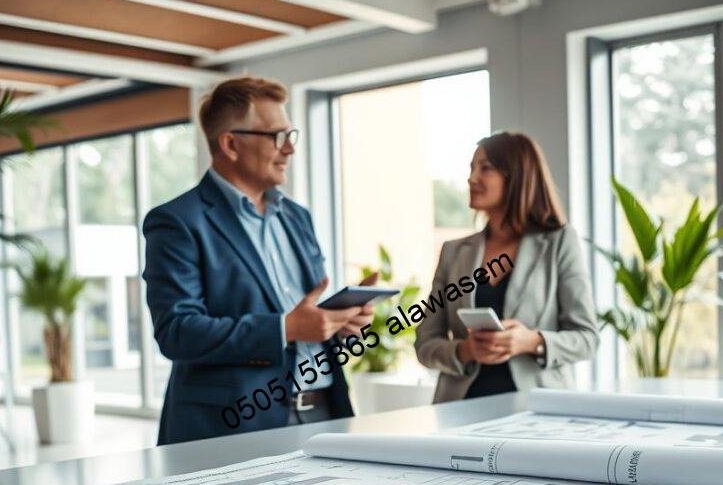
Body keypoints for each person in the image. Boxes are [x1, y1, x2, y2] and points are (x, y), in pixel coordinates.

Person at [143, 77, 374, 444]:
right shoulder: (177, 222)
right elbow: (178, 332)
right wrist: (286, 328)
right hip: (232, 426)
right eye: (277, 137)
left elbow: (306, 313)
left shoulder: (298, 216)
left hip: (324, 413)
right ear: (231, 144)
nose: (289, 150)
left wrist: (338, 320)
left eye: (291, 135)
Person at [415, 132, 598, 401]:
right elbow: (425, 344)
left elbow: (587, 339)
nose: (471, 178)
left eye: (485, 168)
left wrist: (533, 341)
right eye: (471, 168)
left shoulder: (559, 243)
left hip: (538, 412)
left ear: (517, 177)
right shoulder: (453, 253)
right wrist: (464, 351)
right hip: (460, 412)